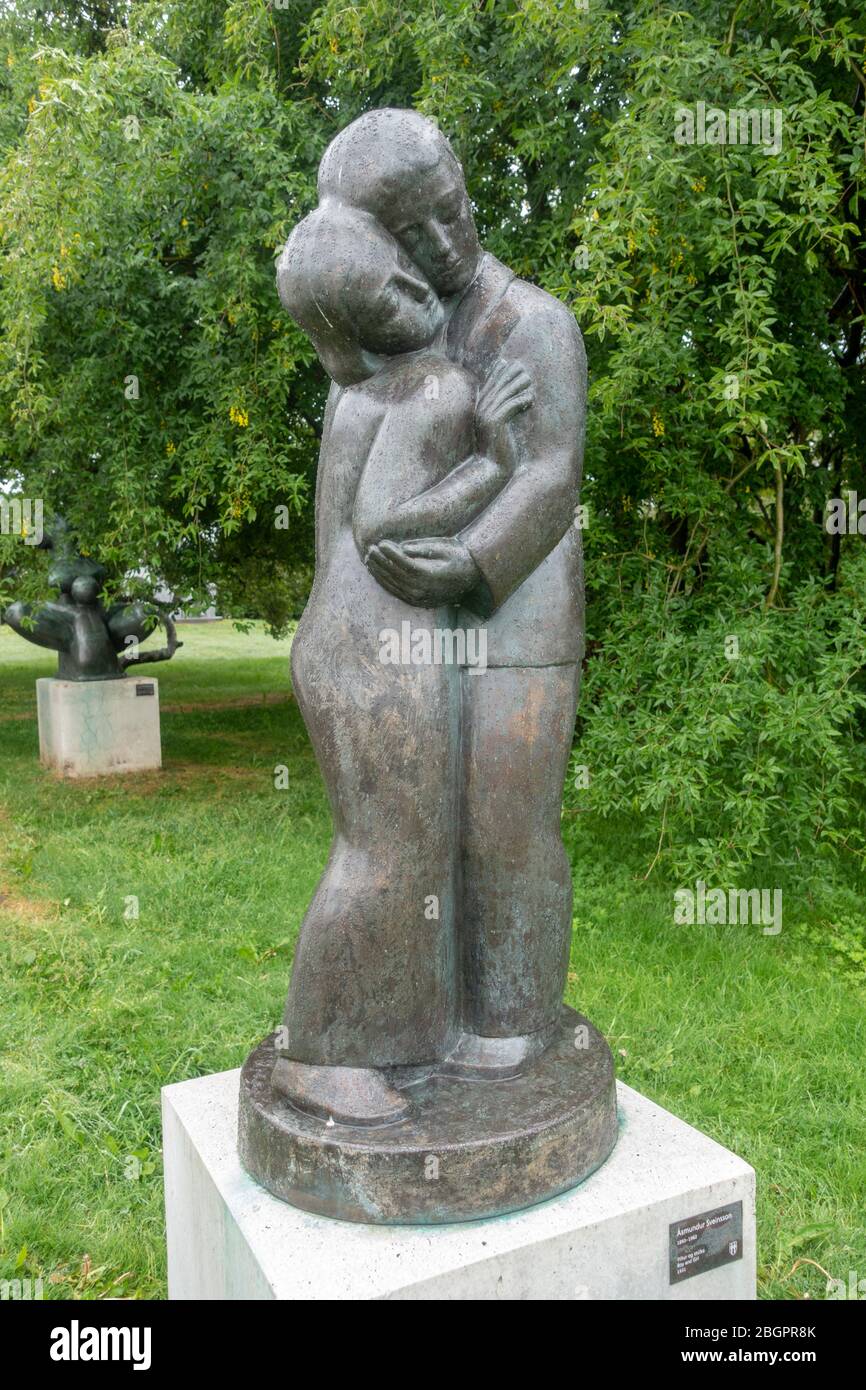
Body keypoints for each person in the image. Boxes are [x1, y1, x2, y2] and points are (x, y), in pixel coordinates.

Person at [317, 110, 588, 1079]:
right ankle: (419, 1024)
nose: (445, 240)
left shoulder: (536, 324)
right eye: (413, 230)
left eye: (452, 209)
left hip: (519, 614)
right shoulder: (384, 335)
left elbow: (551, 476)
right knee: (423, 834)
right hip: (417, 629)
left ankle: (513, 1022)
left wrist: (474, 562)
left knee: (506, 820)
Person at [273, 201, 533, 1124]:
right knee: (384, 856)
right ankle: (319, 1050)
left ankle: (390, 1032)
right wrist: (499, 459)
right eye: (388, 288)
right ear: (352, 322)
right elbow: (383, 525)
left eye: (402, 266)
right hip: (377, 654)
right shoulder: (430, 390)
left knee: (389, 852)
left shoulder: (357, 394)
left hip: (348, 645)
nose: (418, 287)